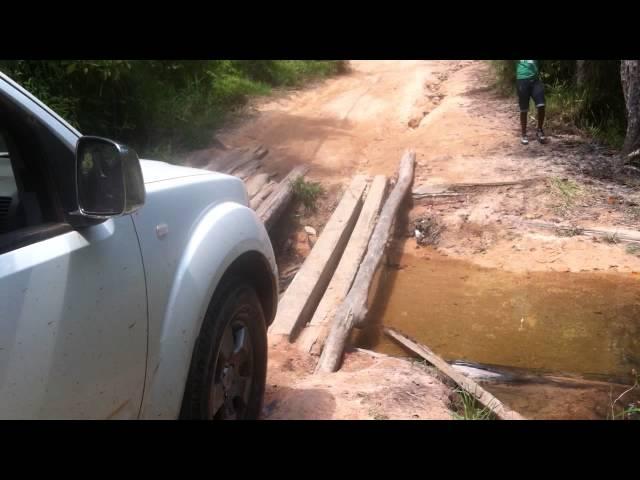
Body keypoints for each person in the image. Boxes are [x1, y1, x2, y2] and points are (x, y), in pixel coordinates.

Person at [516, 60, 547, 145]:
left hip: (535, 81)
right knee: (524, 109)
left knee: (541, 105)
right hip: (522, 80)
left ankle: (539, 130)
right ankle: (523, 134)